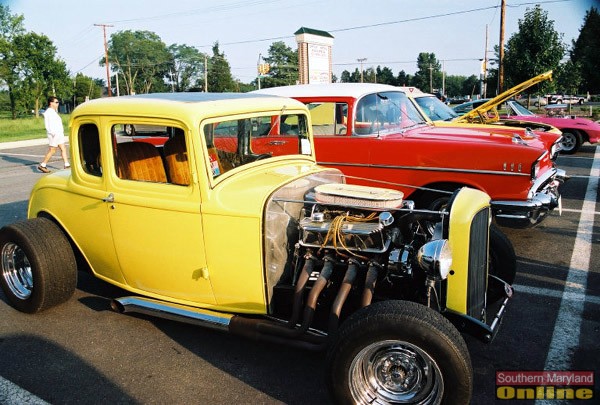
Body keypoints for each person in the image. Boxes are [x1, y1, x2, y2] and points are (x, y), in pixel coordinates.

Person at [37, 96, 70, 173]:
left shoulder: (53, 112)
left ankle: (66, 164)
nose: (58, 104)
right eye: (56, 102)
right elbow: (48, 125)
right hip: (54, 134)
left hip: (59, 133)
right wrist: (52, 133)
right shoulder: (48, 113)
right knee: (52, 150)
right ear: (51, 103)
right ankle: (43, 165)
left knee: (63, 148)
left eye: (58, 102)